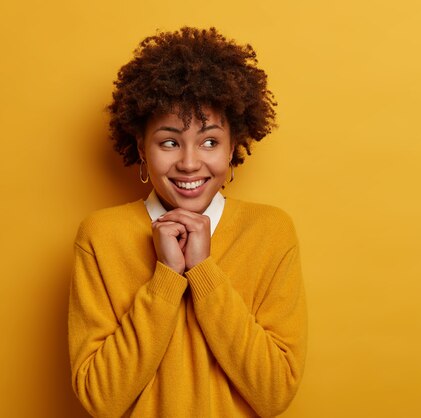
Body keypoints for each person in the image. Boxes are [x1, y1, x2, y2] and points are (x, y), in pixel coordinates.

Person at [68, 27, 307, 418]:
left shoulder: (270, 231)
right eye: (169, 142)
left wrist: (203, 271)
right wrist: (167, 277)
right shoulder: (101, 236)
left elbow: (274, 393)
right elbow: (101, 399)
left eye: (210, 141)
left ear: (233, 146)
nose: (190, 163)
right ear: (141, 148)